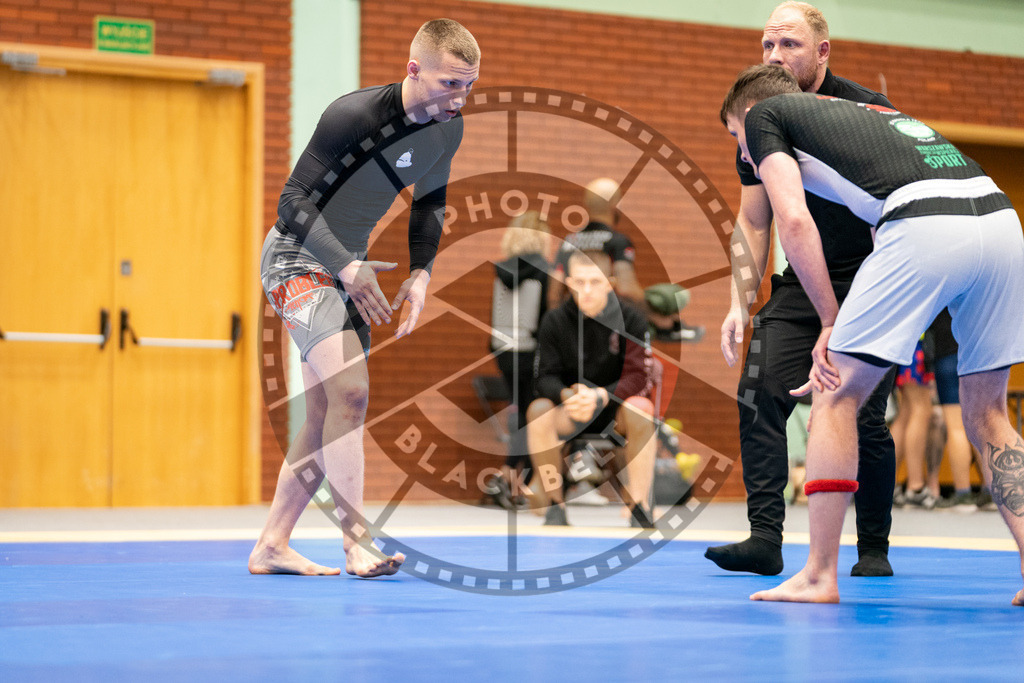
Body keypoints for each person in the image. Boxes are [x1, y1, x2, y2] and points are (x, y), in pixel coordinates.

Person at [721, 63, 1024, 605]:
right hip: (1000, 218)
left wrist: (830, 319)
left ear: (748, 115)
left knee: (835, 395)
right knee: (989, 414)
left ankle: (819, 575)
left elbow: (794, 220)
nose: (744, 154)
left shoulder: (765, 114)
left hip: (925, 221)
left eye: (735, 137)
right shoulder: (862, 110)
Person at [249, 19, 481, 577]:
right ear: (414, 70)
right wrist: (346, 265)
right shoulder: (353, 116)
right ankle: (357, 543)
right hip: (297, 257)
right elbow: (292, 201)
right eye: (450, 83)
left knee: (327, 408)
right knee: (351, 391)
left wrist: (422, 273)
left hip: (351, 268)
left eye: (470, 85)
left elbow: (430, 205)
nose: (460, 98)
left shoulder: (448, 129)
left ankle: (272, 545)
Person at [709, 1, 897, 578]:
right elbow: (754, 220)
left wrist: (865, 308)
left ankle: (872, 547)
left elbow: (889, 214)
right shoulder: (759, 115)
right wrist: (738, 301)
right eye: (767, 45)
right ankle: (765, 538)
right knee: (758, 387)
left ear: (822, 51)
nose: (775, 56)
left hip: (872, 273)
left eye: (788, 44)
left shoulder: (864, 110)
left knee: (859, 411)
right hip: (805, 278)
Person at [527, 250, 658, 527]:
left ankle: (639, 505)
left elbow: (639, 377)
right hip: (572, 409)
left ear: (610, 283)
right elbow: (543, 377)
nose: (586, 290)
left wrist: (600, 396)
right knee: (538, 410)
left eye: (595, 282)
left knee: (642, 408)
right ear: (569, 283)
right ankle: (554, 505)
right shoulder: (554, 320)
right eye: (579, 282)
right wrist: (568, 395)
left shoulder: (631, 319)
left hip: (614, 410)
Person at [486, 211, 551, 508]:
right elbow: (545, 316)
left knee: (523, 413)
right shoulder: (545, 270)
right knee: (532, 416)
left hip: (503, 349)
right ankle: (508, 478)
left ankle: (512, 482)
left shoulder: (501, 269)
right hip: (531, 350)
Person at [547, 178, 644, 310]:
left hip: (574, 316)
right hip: (606, 317)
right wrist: (651, 303)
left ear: (587, 203)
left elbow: (554, 294)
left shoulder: (569, 241)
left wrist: (559, 319)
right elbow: (626, 289)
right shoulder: (618, 241)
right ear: (616, 205)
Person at [890, 337, 938, 509]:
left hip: (904, 346)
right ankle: (915, 487)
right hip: (915, 345)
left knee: (906, 414)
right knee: (921, 410)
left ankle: (889, 485)